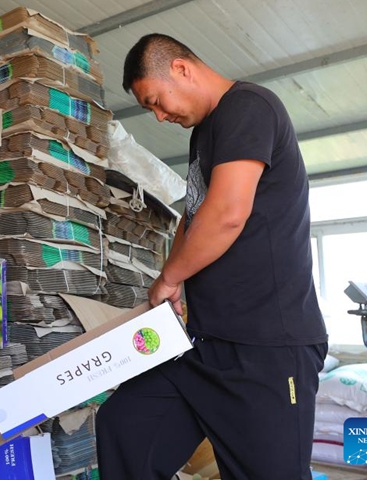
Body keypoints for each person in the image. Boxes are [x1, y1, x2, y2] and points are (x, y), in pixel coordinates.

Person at [95, 34, 328, 479]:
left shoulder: (249, 107)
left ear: (181, 69)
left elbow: (225, 216)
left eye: (156, 101)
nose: (160, 116)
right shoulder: (205, 134)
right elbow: (195, 214)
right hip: (205, 346)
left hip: (266, 349)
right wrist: (176, 276)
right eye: (151, 110)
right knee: (124, 426)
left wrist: (166, 279)